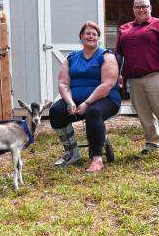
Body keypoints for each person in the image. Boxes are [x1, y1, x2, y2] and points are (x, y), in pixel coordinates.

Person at [49, 21, 121, 172]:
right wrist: (69, 102)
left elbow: (107, 85)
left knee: (93, 112)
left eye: (94, 34)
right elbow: (63, 83)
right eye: (87, 33)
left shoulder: (106, 56)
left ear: (98, 38)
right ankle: (72, 153)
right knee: (56, 111)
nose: (91, 36)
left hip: (105, 99)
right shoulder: (71, 58)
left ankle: (97, 158)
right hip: (76, 98)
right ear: (81, 36)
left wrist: (87, 103)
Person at [115, 0, 159, 157]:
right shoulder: (124, 29)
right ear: (133, 9)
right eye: (137, 7)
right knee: (143, 112)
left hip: (156, 75)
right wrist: (118, 73)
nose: (141, 9)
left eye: (144, 6)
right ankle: (152, 142)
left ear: (150, 8)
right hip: (134, 79)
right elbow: (119, 54)